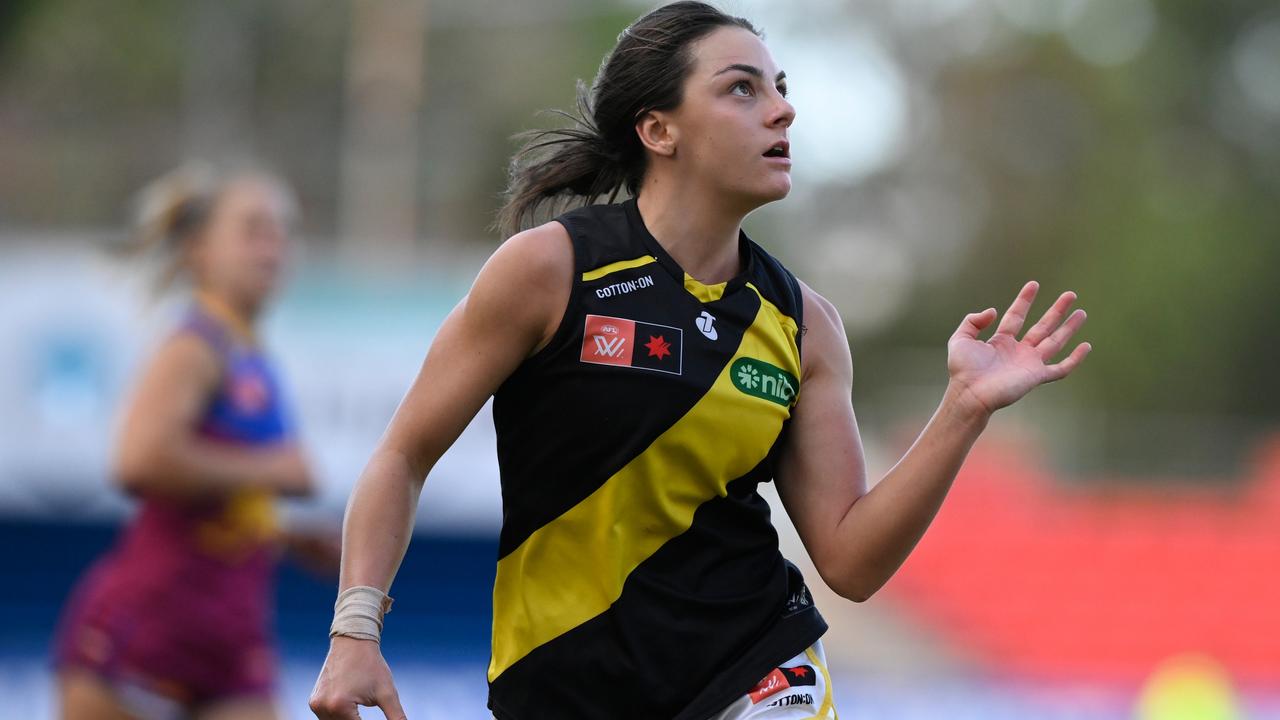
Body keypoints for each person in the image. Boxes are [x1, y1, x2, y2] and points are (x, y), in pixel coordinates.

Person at [308, 2, 1092, 719]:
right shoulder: (548, 272)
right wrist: (354, 632)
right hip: (562, 683)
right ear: (659, 130)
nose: (783, 108)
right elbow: (403, 457)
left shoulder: (804, 323)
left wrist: (962, 411)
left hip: (754, 664)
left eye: (779, 88)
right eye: (742, 90)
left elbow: (849, 561)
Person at [54, 163, 327, 720]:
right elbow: (139, 461)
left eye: (282, 231)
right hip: (145, 632)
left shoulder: (248, 352)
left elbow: (213, 495)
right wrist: (272, 469)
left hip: (229, 632)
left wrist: (283, 534)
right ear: (199, 250)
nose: (273, 246)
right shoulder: (194, 346)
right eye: (253, 229)